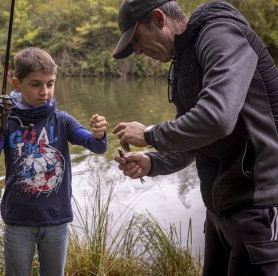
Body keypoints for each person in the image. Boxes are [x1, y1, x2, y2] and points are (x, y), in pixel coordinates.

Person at [111, 0, 278, 275]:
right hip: (220, 208)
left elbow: (216, 119)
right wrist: (151, 163)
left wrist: (150, 134)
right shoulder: (182, 61)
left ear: (158, 17)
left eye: (137, 39)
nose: (137, 51)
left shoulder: (221, 34)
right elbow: (193, 139)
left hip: (259, 208)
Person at [0, 47, 108, 276]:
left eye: (50, 83)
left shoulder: (62, 120)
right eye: (35, 84)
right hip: (18, 221)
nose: (45, 91)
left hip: (56, 220)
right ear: (17, 85)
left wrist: (99, 134)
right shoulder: (8, 121)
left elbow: (97, 147)